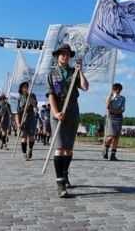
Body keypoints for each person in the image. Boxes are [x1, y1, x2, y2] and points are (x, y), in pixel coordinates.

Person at [47, 43, 89, 198]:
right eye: (62, 54)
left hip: (72, 112)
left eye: (67, 54)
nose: (64, 56)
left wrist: (81, 71)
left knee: (68, 149)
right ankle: (60, 183)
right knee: (59, 148)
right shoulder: (52, 74)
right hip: (58, 113)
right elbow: (51, 95)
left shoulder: (74, 72)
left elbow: (85, 87)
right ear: (57, 56)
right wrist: (56, 112)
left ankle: (65, 173)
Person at [102, 83, 126, 161]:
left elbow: (122, 109)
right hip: (111, 117)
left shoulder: (122, 98)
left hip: (119, 117)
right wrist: (111, 96)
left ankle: (113, 154)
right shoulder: (110, 97)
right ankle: (106, 149)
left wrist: (116, 111)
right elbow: (107, 106)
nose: (118, 91)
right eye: (116, 89)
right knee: (111, 136)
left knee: (116, 137)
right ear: (113, 90)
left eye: (119, 90)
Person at [16, 81, 38, 161]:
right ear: (21, 88)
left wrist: (30, 98)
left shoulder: (32, 95)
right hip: (23, 118)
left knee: (31, 137)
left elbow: (35, 105)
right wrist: (18, 123)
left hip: (31, 117)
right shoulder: (19, 98)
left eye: (27, 87)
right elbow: (17, 112)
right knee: (24, 137)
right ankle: (24, 153)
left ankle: (30, 149)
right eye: (24, 87)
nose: (26, 88)